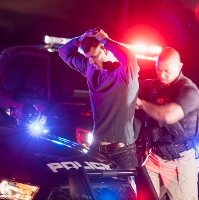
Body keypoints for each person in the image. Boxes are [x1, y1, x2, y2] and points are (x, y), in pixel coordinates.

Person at [58, 28, 140, 169]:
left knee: (128, 191)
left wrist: (105, 39)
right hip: (96, 149)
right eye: (88, 57)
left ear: (105, 50)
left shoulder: (125, 74)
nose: (91, 61)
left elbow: (129, 56)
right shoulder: (91, 69)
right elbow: (63, 52)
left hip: (121, 153)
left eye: (94, 56)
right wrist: (80, 39)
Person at [136, 47, 199, 200]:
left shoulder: (189, 90)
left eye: (167, 71)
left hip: (179, 161)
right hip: (154, 157)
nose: (162, 75)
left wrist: (143, 104)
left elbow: (168, 115)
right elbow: (127, 84)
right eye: (158, 70)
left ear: (179, 67)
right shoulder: (153, 86)